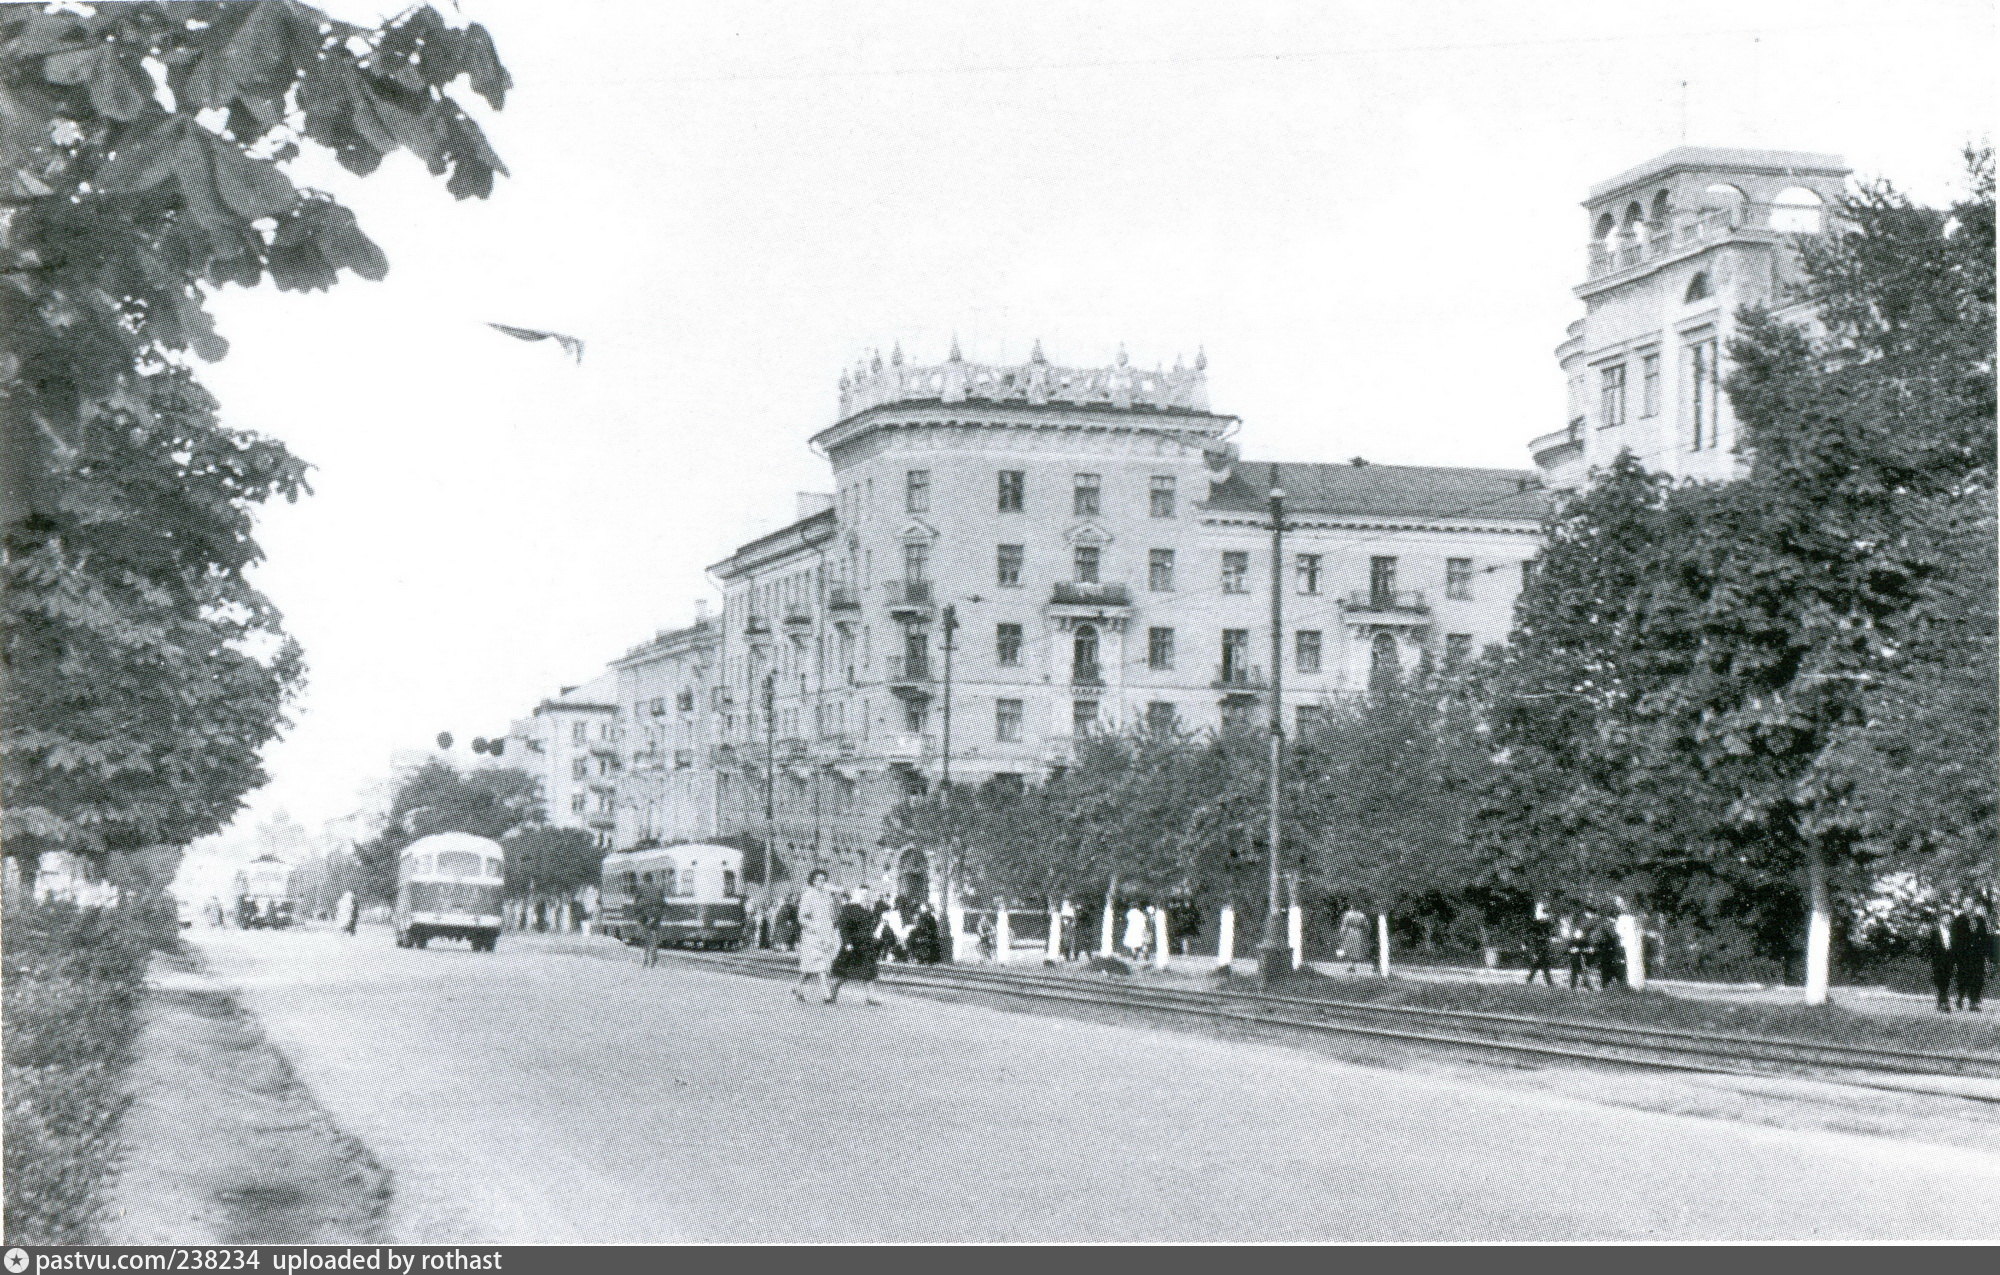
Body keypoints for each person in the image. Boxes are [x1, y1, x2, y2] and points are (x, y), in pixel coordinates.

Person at [829, 885, 884, 1005]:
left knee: (869, 971)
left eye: (867, 894)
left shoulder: (868, 908)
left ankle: (870, 998)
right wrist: (847, 943)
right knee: (843, 973)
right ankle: (831, 995)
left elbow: (870, 926)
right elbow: (843, 927)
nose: (865, 896)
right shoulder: (849, 908)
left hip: (866, 943)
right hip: (853, 944)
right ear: (857, 894)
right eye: (863, 894)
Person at [793, 870, 839, 1002]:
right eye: (818, 879)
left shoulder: (826, 896)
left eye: (824, 879)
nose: (821, 882)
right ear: (813, 881)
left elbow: (830, 914)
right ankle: (827, 995)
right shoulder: (808, 895)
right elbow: (801, 917)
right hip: (811, 935)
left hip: (825, 935)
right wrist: (814, 926)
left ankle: (798, 988)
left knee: (811, 967)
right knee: (820, 965)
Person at [1950, 908, 1990, 1012]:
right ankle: (1960, 998)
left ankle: (1973, 1002)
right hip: (1964, 954)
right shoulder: (1960, 920)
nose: (1970, 908)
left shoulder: (1980, 920)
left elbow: (1985, 937)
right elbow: (1955, 937)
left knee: (1977, 978)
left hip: (1977, 955)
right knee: (1963, 976)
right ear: (1964, 907)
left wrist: (1983, 952)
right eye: (1967, 905)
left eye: (1972, 905)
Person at [1923, 910, 1957, 1012]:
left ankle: (1941, 1001)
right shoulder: (1934, 932)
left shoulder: (1953, 931)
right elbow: (1930, 946)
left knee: (1946, 980)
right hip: (1938, 960)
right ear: (1941, 919)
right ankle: (1944, 1002)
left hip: (1949, 959)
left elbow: (1955, 945)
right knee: (1940, 980)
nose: (1949, 920)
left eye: (1950, 918)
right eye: (1946, 917)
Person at [632, 882, 666, 968]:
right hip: (656, 916)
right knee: (654, 939)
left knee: (646, 939)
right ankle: (653, 959)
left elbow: (636, 903)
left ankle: (645, 960)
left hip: (645, 916)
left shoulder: (641, 888)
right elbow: (663, 903)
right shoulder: (658, 887)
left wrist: (638, 915)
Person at [1523, 913, 1558, 986]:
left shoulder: (1545, 927)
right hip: (1538, 947)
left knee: (1539, 964)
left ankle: (1530, 979)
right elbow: (1531, 937)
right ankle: (1548, 982)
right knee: (1542, 964)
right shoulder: (1536, 928)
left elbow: (1550, 935)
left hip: (1543, 947)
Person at [1592, 919, 1626, 990]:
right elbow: (1612, 937)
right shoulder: (1608, 925)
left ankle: (1606, 983)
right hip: (1606, 949)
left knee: (1607, 967)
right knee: (1607, 966)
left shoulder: (1604, 924)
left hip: (1605, 949)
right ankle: (1606, 983)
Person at [1336, 907, 1371, 974]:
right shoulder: (1362, 915)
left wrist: (1341, 933)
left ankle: (1351, 965)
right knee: (1355, 949)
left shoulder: (1348, 914)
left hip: (1350, 932)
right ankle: (1352, 965)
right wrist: (1366, 932)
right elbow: (1367, 926)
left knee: (1350, 948)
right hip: (1358, 933)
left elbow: (1344, 924)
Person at [1565, 918, 1594, 989]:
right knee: (1574, 971)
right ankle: (1573, 985)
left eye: (1580, 933)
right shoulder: (1572, 941)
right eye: (1577, 933)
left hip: (1582, 957)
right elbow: (1568, 949)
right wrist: (1572, 950)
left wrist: (1584, 950)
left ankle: (1586, 984)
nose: (1579, 935)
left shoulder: (1584, 941)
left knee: (1584, 971)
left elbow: (1589, 949)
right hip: (1575, 958)